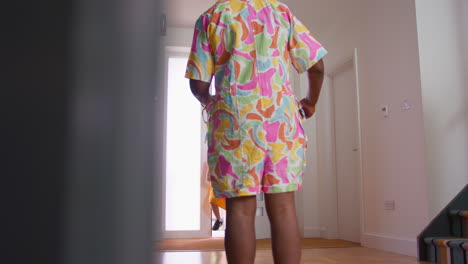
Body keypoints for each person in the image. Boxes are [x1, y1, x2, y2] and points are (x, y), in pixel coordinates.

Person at [185, 0, 326, 263]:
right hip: (280, 120)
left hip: (235, 118)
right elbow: (316, 66)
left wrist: (209, 101)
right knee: (284, 208)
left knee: (239, 210)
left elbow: (198, 83)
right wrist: (310, 102)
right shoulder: (280, 11)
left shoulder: (212, 16)